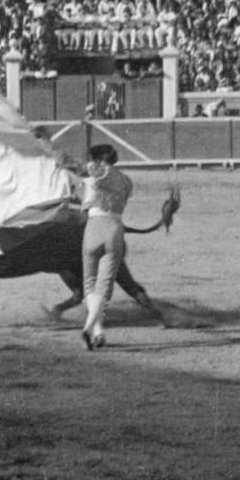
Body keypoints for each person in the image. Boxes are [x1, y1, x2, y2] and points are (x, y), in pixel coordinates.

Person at [75, 144, 133, 351]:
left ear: (99, 159)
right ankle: (93, 330)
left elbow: (79, 171)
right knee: (104, 286)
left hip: (92, 229)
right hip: (114, 229)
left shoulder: (95, 173)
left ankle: (92, 329)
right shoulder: (127, 181)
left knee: (90, 284)